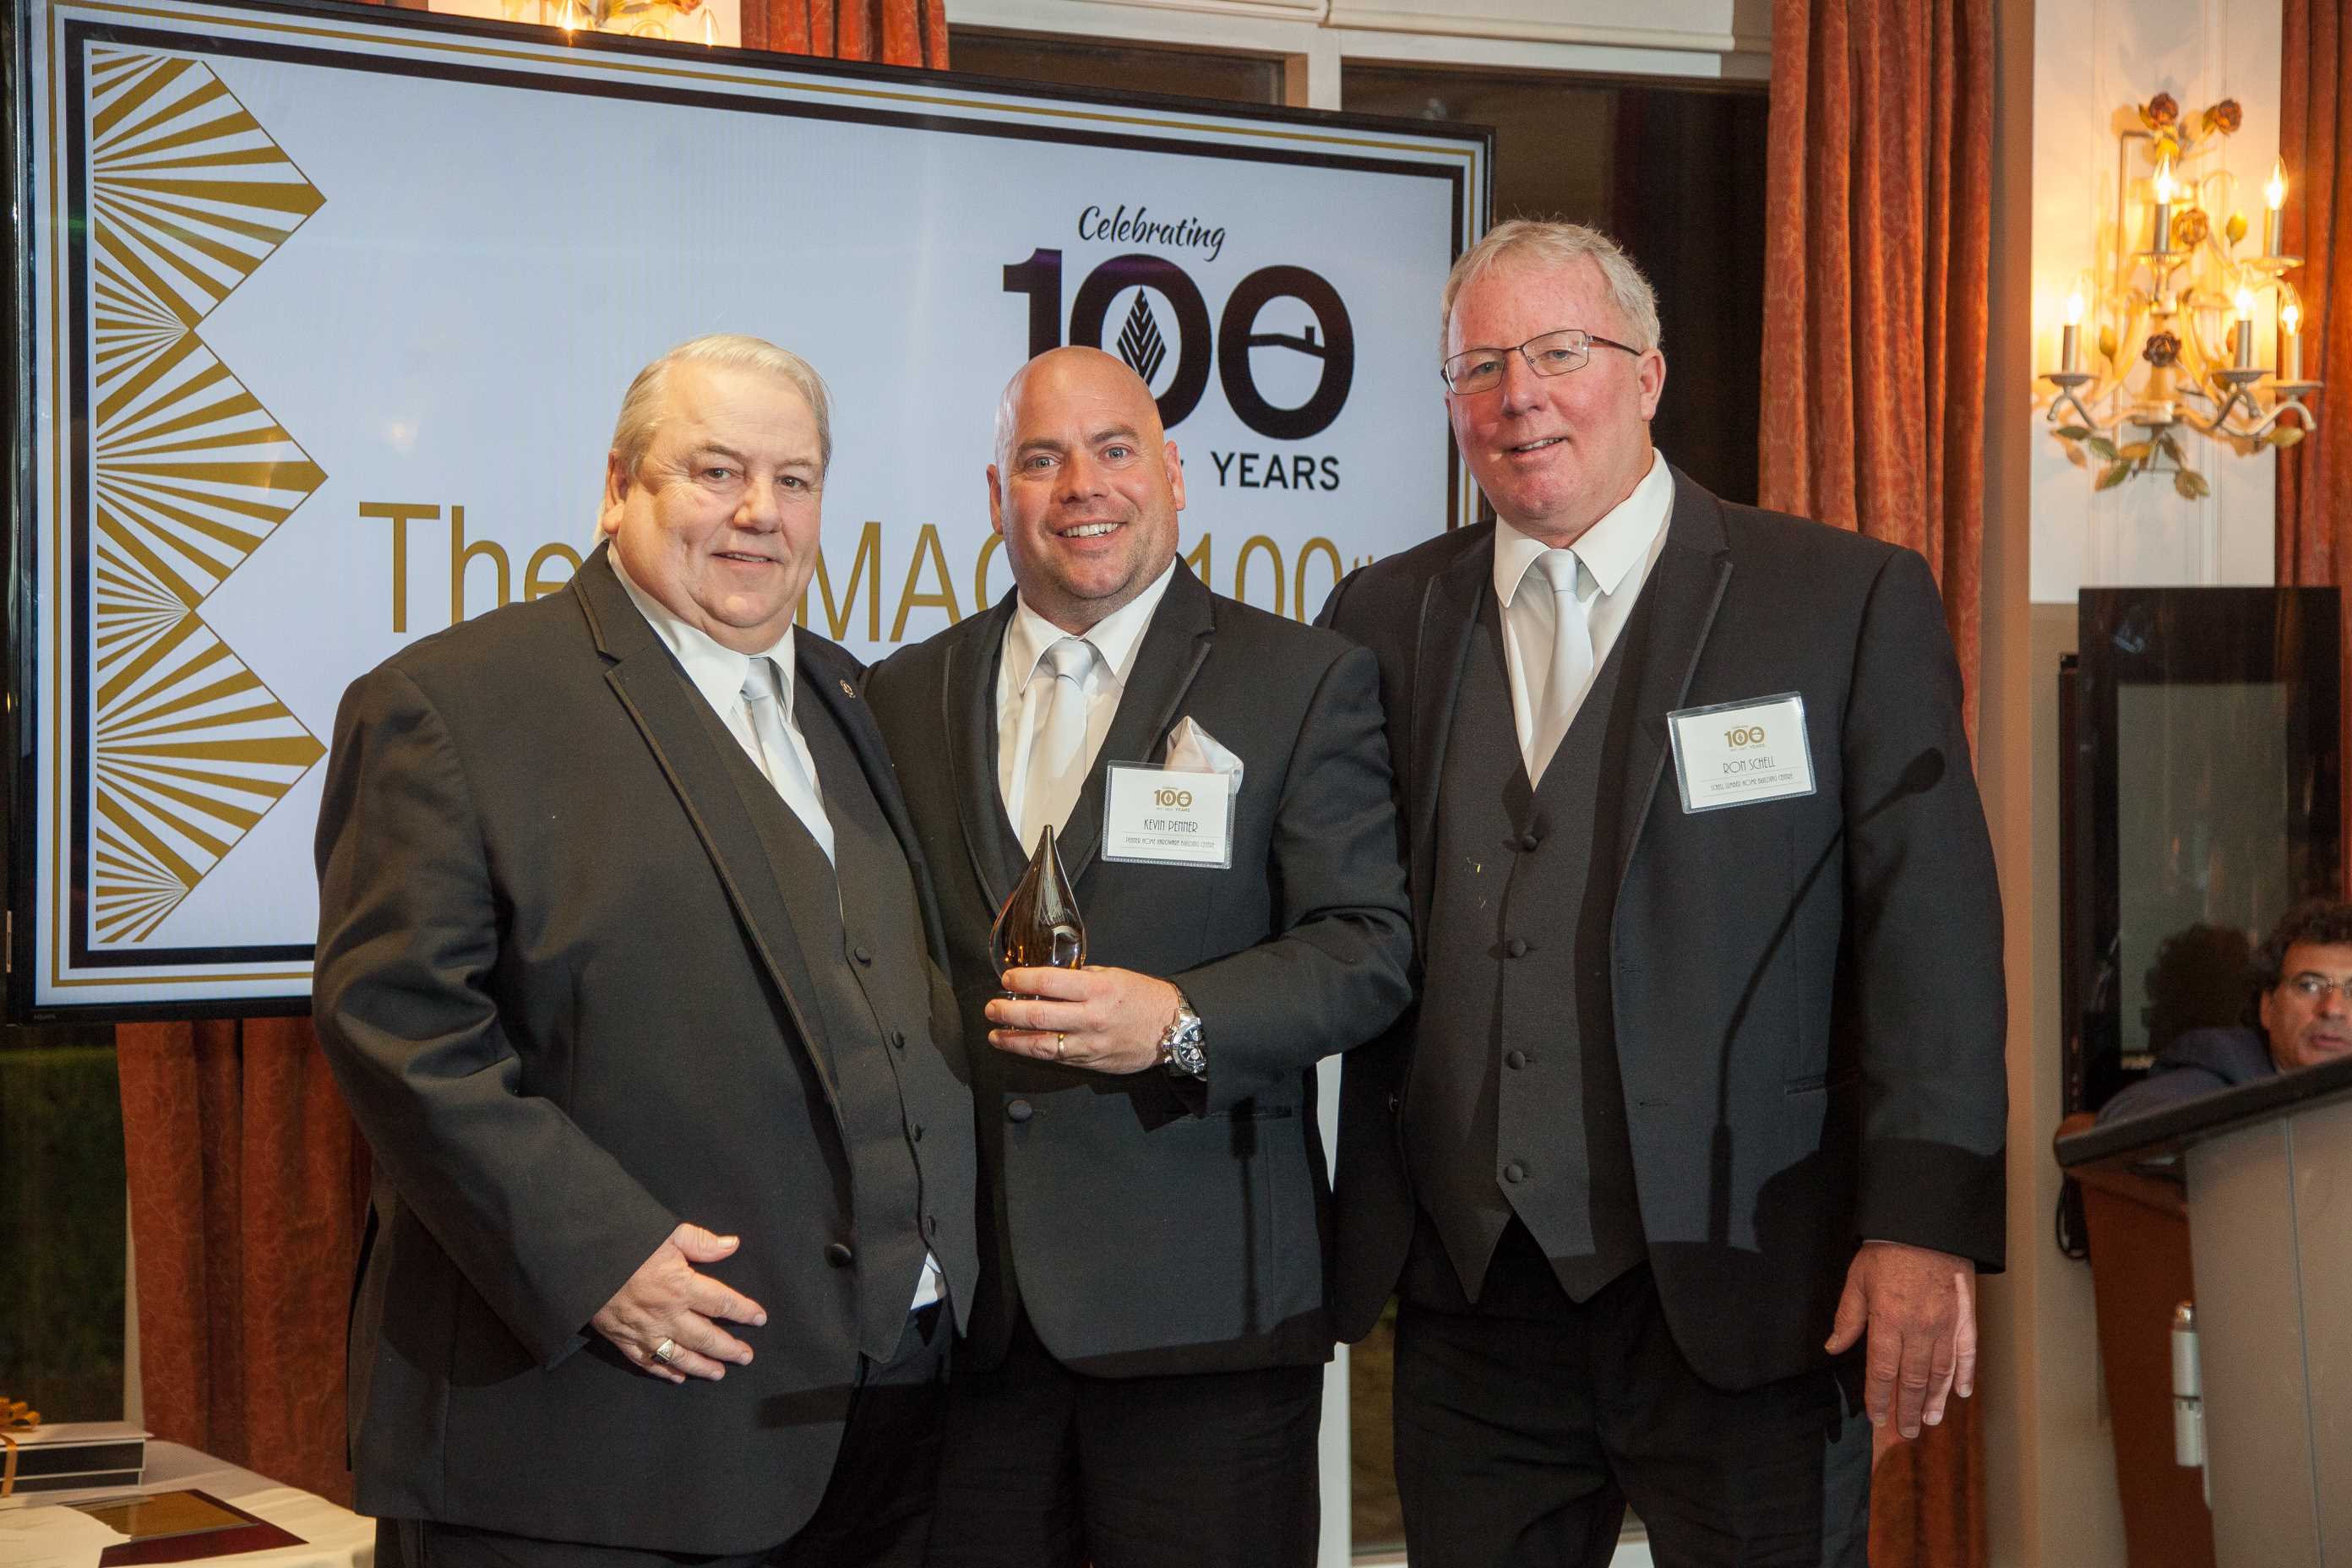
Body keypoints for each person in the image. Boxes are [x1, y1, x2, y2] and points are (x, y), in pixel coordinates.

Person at [1318, 220, 2008, 1565]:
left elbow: (1932, 938)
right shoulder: (1384, 618)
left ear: (1648, 374)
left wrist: (1922, 1226)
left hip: (1750, 1280)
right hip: (1474, 1304)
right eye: (1478, 368)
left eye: (1558, 353)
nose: (1518, 396)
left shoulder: (1838, 601)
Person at [313, 334, 977, 1568]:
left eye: (794, 479)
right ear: (618, 486)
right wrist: (596, 1256)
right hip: (590, 1445)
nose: (760, 512)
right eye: (716, 471)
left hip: (876, 1430)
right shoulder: (452, 703)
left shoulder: (848, 698)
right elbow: (400, 1029)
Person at [863, 346, 1413, 1568]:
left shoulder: (1301, 681)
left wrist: (1179, 1019)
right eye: (1041, 459)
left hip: (1206, 1321)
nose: (1082, 487)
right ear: (995, 493)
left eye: (1115, 450)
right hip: (975, 1329)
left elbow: (1366, 946)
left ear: (1173, 475)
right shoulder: (903, 692)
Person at [2099, 900, 2352, 1122]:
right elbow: (2126, 1120)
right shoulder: (2226, 1068)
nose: (2332, 1009)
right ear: (2268, 1007)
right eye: (2309, 986)